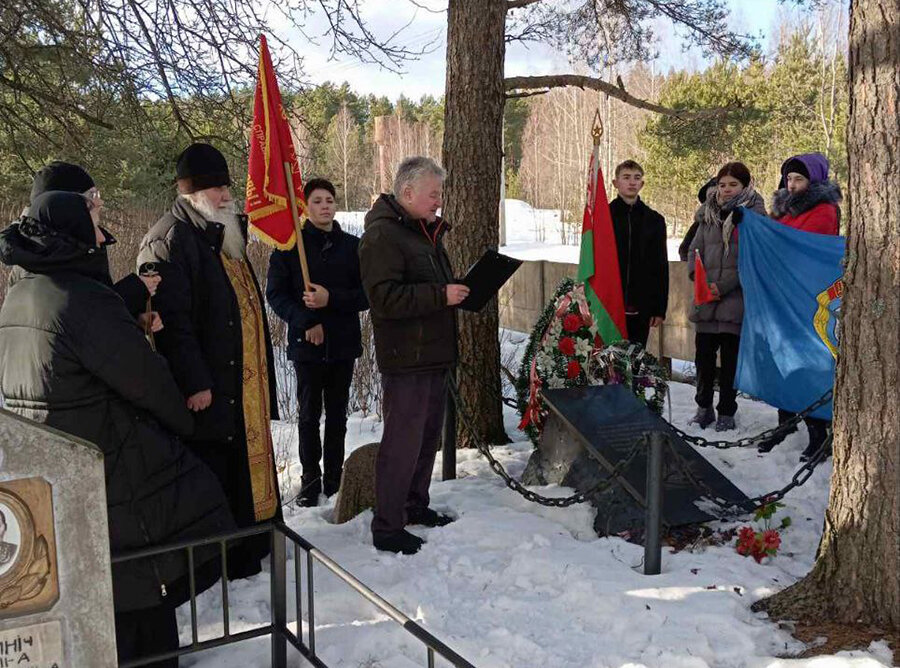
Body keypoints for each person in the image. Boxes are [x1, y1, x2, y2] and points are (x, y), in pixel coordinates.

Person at [0, 191, 235, 667]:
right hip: (110, 469)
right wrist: (183, 418)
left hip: (57, 476)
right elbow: (145, 381)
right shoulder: (81, 299)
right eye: (93, 217)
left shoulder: (20, 293)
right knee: (143, 605)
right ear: (71, 229)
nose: (102, 230)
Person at [138, 143, 281, 579]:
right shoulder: (171, 239)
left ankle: (254, 543)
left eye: (226, 187)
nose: (226, 195)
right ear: (193, 192)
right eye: (217, 188)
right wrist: (194, 382)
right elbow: (173, 324)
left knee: (243, 462)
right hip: (208, 385)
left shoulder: (221, 230)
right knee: (216, 470)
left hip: (241, 381)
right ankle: (221, 560)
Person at [358, 156, 468, 555]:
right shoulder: (383, 236)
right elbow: (383, 299)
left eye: (439, 193)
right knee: (402, 443)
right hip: (406, 357)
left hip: (432, 352)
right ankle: (387, 525)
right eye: (433, 194)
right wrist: (440, 295)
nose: (439, 201)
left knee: (425, 440)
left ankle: (413, 506)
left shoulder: (422, 233)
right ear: (407, 193)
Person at [266, 178, 368, 506]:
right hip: (306, 344)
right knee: (309, 413)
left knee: (338, 413)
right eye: (317, 201)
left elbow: (366, 295)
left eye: (329, 200)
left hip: (342, 344)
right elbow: (276, 294)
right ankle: (310, 477)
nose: (325, 206)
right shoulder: (289, 246)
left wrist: (330, 299)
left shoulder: (353, 247)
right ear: (305, 207)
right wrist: (306, 319)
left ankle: (335, 477)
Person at [758, 152, 842, 460]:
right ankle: (785, 423)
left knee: (808, 365)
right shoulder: (784, 212)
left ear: (814, 180)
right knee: (782, 361)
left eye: (799, 179)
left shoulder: (824, 210)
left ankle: (819, 433)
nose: (792, 185)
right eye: (789, 179)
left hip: (809, 298)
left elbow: (796, 244)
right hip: (782, 295)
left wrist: (765, 230)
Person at [28, 161, 163, 330]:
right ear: (66, 206)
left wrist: (136, 321)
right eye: (91, 195)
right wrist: (134, 290)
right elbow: (82, 321)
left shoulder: (77, 246)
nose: (100, 202)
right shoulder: (36, 257)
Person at [687, 162, 766, 431]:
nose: (727, 190)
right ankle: (703, 407)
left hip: (735, 301)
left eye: (733, 185)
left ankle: (726, 412)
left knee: (730, 363)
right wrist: (697, 278)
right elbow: (692, 250)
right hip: (706, 300)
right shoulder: (707, 213)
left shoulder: (753, 216)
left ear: (745, 186)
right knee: (704, 361)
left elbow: (754, 261)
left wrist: (723, 286)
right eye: (722, 185)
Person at [609, 160, 669, 347]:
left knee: (635, 356)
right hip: (609, 302)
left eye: (637, 178)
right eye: (626, 177)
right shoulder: (604, 217)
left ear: (642, 184)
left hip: (641, 304)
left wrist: (659, 309)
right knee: (607, 359)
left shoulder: (654, 221)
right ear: (615, 183)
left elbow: (660, 267)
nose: (632, 182)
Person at [679, 177, 717, 262]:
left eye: (717, 195)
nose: (714, 200)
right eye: (711, 196)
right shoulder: (700, 223)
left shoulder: (739, 219)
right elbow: (684, 249)